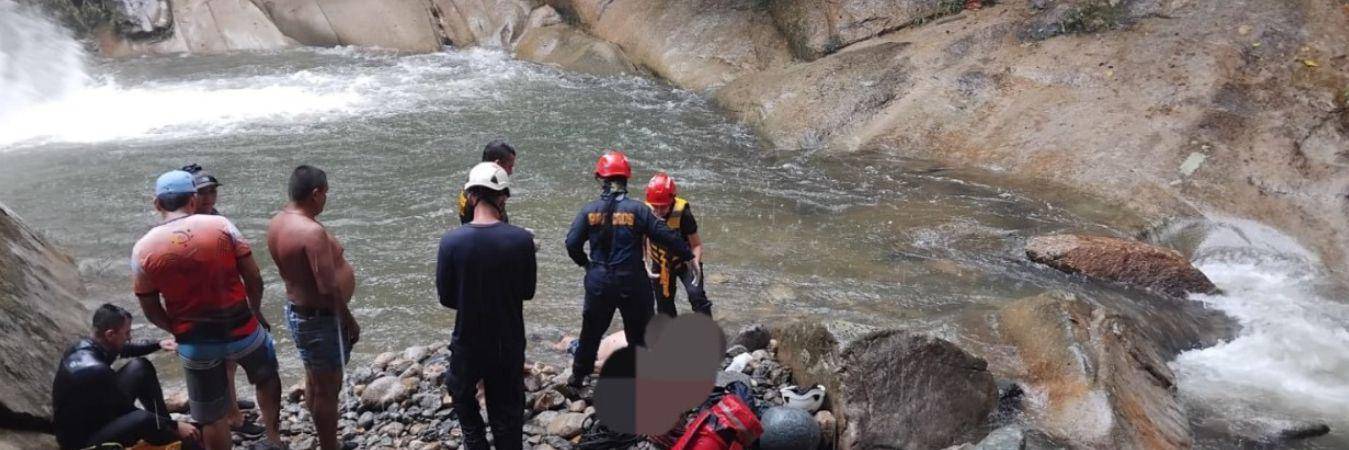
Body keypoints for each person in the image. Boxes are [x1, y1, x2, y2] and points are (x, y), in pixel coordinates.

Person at [132, 169, 283, 450]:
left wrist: (177, 330)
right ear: (192, 200)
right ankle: (274, 438)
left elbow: (150, 307)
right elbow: (253, 277)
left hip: (196, 342)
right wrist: (254, 310)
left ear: (157, 204)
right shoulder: (221, 226)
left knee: (212, 416)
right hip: (242, 329)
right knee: (267, 377)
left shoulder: (143, 248)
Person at [564, 151, 692, 387]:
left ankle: (578, 377)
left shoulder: (589, 210)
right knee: (640, 334)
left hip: (599, 281)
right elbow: (665, 235)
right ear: (626, 179)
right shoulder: (638, 210)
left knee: (591, 332)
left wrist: (587, 265)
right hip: (632, 281)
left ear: (601, 180)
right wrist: (688, 255)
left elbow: (572, 243)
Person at [436, 162, 536, 450]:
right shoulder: (521, 240)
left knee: (460, 391)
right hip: (508, 341)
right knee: (508, 417)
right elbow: (527, 292)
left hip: (468, 339)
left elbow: (446, 298)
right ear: (502, 197)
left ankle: (475, 439)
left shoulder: (451, 241)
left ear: (471, 197)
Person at [267, 165, 360, 450]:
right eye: (326, 194)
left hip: (300, 312)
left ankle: (324, 437)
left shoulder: (278, 222)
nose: (325, 199)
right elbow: (327, 287)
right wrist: (349, 320)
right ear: (316, 193)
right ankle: (329, 445)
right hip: (321, 318)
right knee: (328, 388)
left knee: (315, 379)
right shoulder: (311, 232)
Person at [182, 162, 268, 440]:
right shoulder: (186, 226)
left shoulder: (213, 217)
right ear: (190, 197)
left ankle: (227, 402)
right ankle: (232, 416)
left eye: (212, 192)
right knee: (222, 360)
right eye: (202, 193)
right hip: (204, 306)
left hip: (223, 299)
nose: (209, 198)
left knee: (226, 360)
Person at [52, 304, 199, 450]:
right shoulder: (96, 371)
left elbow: (125, 349)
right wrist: (175, 425)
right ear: (110, 334)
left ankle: (164, 429)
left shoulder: (84, 346)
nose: (129, 337)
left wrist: (159, 344)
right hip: (82, 441)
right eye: (126, 333)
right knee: (143, 419)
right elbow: (127, 411)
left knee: (140, 367)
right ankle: (172, 433)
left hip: (95, 413)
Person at [643, 172, 711, 317]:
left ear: (672, 201)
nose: (659, 212)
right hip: (661, 264)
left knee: (696, 295)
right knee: (664, 306)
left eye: (663, 207)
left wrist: (695, 265)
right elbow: (641, 241)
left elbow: (696, 244)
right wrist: (645, 263)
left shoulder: (683, 213)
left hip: (685, 262)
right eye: (655, 207)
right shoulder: (645, 212)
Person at [457, 140, 517, 224]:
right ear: (497, 164)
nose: (511, 172)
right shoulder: (489, 190)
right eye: (509, 166)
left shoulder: (472, 184)